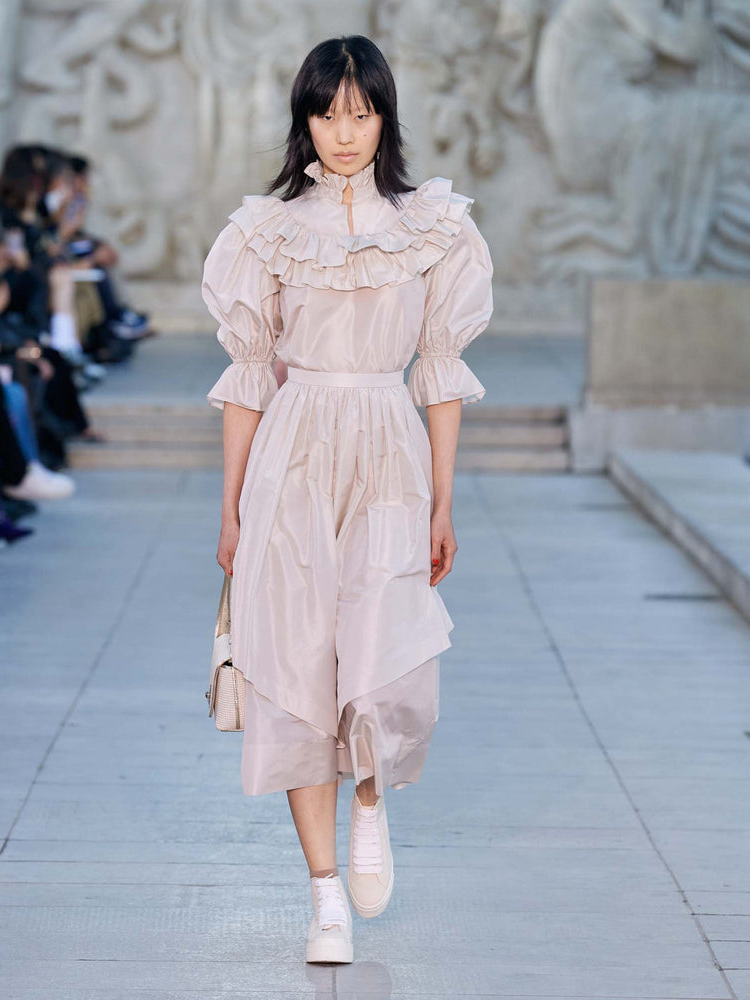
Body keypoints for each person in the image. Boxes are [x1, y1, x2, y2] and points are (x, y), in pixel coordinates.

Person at [202, 35, 493, 965]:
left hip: (387, 450)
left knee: (384, 657)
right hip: (292, 455)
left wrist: (443, 501)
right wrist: (230, 509)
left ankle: (370, 800)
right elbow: (248, 377)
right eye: (327, 113)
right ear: (305, 120)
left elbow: (440, 372)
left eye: (361, 112)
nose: (343, 131)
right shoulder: (264, 232)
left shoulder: (434, 227)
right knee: (292, 668)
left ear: (385, 119)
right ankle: (324, 895)